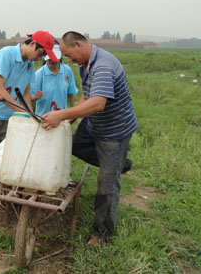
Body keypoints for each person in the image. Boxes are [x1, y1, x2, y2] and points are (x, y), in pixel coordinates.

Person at [41, 31, 137, 244]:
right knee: (74, 146)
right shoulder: (86, 63)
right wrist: (74, 116)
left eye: (68, 54)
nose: (68, 60)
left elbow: (98, 103)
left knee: (106, 184)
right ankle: (117, 163)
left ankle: (103, 234)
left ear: (77, 45)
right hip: (93, 123)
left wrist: (61, 114)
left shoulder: (102, 65)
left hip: (114, 131)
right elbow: (88, 93)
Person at [0, 31, 58, 225]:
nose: (41, 58)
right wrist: (19, 110)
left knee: (8, 159)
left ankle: (9, 200)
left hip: (7, 116)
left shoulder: (29, 65)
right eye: (41, 54)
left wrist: (30, 117)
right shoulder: (6, 54)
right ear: (33, 44)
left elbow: (25, 94)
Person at [30, 43, 79, 116]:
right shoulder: (39, 74)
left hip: (62, 117)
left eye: (54, 58)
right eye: (49, 58)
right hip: (43, 118)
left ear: (60, 57)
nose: (52, 61)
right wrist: (35, 97)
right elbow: (30, 96)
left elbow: (70, 93)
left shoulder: (67, 71)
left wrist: (74, 113)